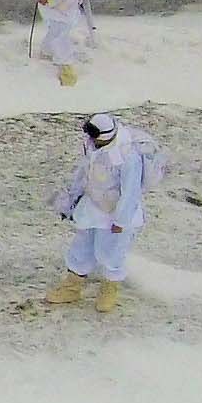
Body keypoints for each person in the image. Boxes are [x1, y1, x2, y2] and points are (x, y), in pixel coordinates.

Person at [50, 110, 169, 311]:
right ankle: (72, 286)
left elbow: (130, 192)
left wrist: (121, 221)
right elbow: (84, 173)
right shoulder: (93, 146)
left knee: (111, 252)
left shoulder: (128, 156)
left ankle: (110, 288)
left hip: (115, 213)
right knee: (81, 247)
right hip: (92, 206)